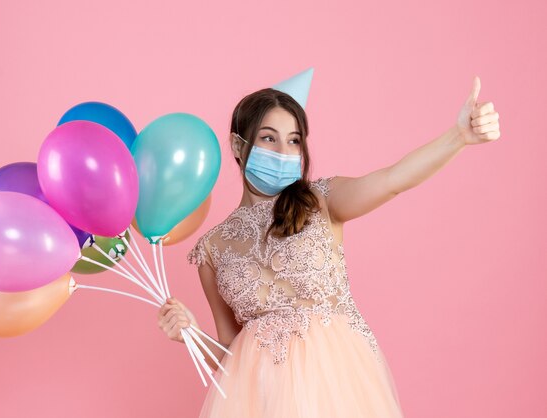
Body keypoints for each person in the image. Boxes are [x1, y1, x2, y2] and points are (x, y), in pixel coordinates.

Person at [157, 79, 500, 417]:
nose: (283, 152)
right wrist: (191, 335)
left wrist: (458, 138)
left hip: (335, 391)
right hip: (259, 402)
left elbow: (394, 179)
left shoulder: (322, 201)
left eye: (294, 141)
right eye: (268, 138)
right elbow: (230, 358)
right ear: (237, 144)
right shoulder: (213, 248)